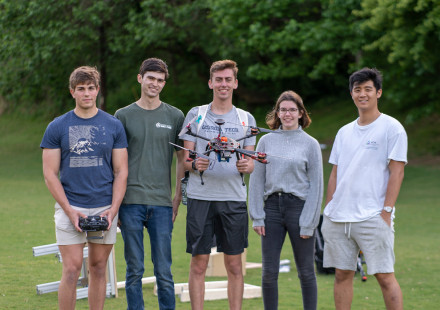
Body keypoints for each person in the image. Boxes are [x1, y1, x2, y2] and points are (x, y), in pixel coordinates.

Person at [41, 66, 128, 310]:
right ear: (72, 92)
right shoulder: (57, 126)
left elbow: (122, 171)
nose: (86, 93)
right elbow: (50, 174)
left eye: (91, 88)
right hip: (71, 206)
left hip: (104, 207)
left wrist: (113, 210)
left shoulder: (113, 125)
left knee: (99, 269)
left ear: (98, 90)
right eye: (81, 89)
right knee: (70, 269)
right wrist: (69, 211)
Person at [321, 67, 407, 310]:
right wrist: (329, 208)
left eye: (368, 89)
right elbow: (336, 173)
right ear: (352, 94)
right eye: (357, 89)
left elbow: (397, 171)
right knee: (341, 275)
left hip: (373, 216)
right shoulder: (344, 132)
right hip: (338, 217)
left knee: (384, 276)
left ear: (378, 92)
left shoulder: (392, 128)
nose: (362, 94)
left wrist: (386, 211)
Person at [180, 59, 256, 310]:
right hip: (201, 197)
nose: (223, 84)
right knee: (199, 262)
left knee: (234, 265)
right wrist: (195, 164)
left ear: (235, 83)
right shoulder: (196, 114)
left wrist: (248, 166)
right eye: (219, 80)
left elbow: (250, 160)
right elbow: (186, 159)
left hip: (233, 198)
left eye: (228, 80)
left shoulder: (246, 118)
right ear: (211, 82)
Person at [114, 58, 185, 310]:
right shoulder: (122, 115)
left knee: (164, 271)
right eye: (150, 78)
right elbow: (116, 163)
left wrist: (179, 196)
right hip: (130, 202)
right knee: (134, 270)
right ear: (140, 78)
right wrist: (116, 204)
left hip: (162, 204)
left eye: (160, 80)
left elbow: (182, 159)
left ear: (164, 84)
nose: (154, 83)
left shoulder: (175, 116)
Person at [248, 90, 323, 310]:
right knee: (269, 272)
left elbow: (316, 185)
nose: (287, 114)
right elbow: (257, 180)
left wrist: (309, 222)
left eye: (292, 110)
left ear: (301, 113)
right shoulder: (265, 142)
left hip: (299, 210)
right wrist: (257, 216)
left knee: (306, 272)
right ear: (277, 113)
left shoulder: (311, 144)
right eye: (283, 110)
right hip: (271, 210)